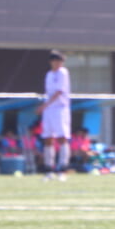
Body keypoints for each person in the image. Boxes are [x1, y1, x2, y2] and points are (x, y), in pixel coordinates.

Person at [36, 49, 72, 180]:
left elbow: (59, 92)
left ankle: (62, 169)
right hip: (49, 110)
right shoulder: (49, 74)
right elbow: (49, 93)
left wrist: (45, 105)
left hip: (60, 109)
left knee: (62, 137)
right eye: (55, 61)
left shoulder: (63, 73)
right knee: (48, 138)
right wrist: (45, 106)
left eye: (59, 61)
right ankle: (48, 170)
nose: (57, 63)